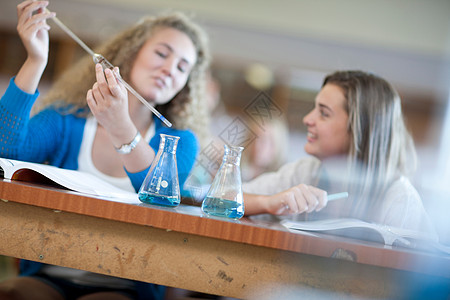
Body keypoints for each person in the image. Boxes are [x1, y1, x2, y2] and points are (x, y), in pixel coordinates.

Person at [0, 1, 210, 299]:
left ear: (186, 84)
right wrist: (35, 60)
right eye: (162, 53)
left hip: (123, 288)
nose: (169, 69)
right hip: (49, 277)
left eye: (182, 67)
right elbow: (6, 153)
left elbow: (160, 193)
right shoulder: (66, 121)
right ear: (131, 53)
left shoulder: (179, 142)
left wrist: (119, 125)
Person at [242, 70, 436, 235]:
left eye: (324, 113)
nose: (307, 119)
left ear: (361, 129)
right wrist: (268, 202)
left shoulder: (400, 201)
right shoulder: (305, 172)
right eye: (314, 109)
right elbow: (221, 197)